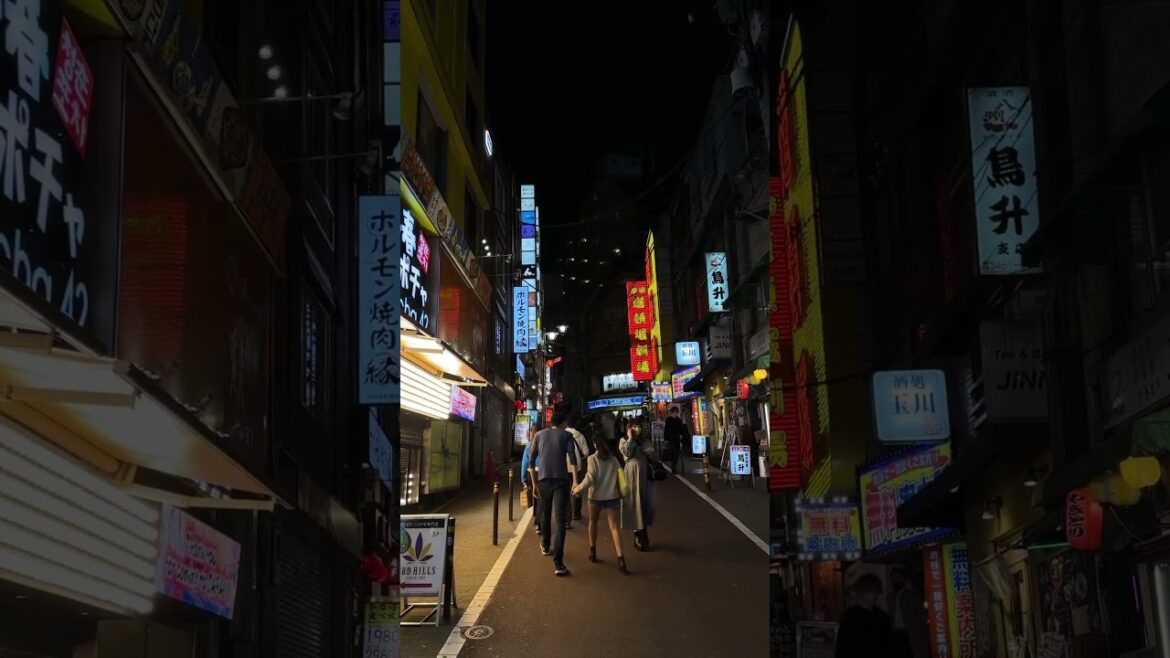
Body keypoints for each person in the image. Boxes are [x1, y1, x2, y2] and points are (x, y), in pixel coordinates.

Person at [528, 412, 579, 576]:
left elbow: (531, 461)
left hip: (543, 480)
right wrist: (576, 481)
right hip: (561, 481)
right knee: (560, 520)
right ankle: (558, 563)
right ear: (563, 423)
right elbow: (573, 459)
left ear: (551, 422)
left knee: (545, 513)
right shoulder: (567, 435)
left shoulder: (539, 435)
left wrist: (534, 484)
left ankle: (545, 545)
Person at [571, 431, 628, 574]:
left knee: (593, 522)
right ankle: (621, 558)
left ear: (595, 444)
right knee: (615, 528)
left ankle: (593, 551)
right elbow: (621, 475)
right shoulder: (613, 459)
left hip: (596, 497)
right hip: (612, 496)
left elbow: (589, 478)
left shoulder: (592, 459)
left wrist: (578, 489)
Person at [834, 574, 894, 658]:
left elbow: (888, 646)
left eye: (876, 590)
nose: (875, 594)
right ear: (862, 592)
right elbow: (843, 648)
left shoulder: (882, 618)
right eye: (871, 590)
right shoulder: (850, 618)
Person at [619, 421, 656, 551]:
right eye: (634, 426)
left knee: (646, 502)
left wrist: (650, 452)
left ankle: (643, 530)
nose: (637, 428)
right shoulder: (624, 441)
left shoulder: (645, 441)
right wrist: (630, 438)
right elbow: (627, 453)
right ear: (629, 429)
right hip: (631, 475)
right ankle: (638, 533)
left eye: (638, 426)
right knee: (634, 502)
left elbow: (654, 456)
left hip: (644, 474)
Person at [890, 567, 929, 658]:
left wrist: (922, 633)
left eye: (898, 577)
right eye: (894, 578)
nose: (896, 580)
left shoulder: (912, 595)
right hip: (896, 633)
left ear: (903, 579)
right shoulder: (891, 596)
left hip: (911, 633)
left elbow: (922, 615)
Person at [565, 418, 592, 523]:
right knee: (577, 488)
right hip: (577, 466)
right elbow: (586, 452)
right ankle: (576, 514)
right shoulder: (580, 436)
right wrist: (580, 457)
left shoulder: (562, 434)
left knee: (565, 490)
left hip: (563, 466)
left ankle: (567, 515)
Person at [520, 434, 541, 535]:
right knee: (541, 498)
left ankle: (537, 517)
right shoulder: (544, 443)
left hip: (531, 473)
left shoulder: (529, 445)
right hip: (542, 473)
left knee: (535, 495)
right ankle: (539, 522)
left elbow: (525, 463)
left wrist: (523, 479)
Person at [663, 407, 686, 473]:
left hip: (677, 439)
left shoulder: (678, 420)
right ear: (672, 413)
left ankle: (674, 467)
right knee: (673, 453)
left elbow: (681, 429)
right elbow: (666, 430)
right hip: (671, 439)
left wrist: (681, 435)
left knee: (676, 453)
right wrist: (666, 439)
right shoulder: (669, 420)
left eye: (676, 412)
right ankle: (673, 467)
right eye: (675, 412)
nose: (676, 414)